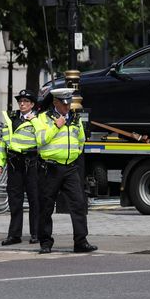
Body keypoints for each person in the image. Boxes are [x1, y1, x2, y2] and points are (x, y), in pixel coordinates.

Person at [34, 88, 97, 254]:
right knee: (46, 206)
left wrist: (74, 155)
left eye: (68, 104)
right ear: (55, 103)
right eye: (64, 104)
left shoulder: (75, 118)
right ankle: (45, 242)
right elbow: (40, 140)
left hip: (70, 167)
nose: (67, 107)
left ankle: (81, 241)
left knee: (78, 204)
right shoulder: (43, 118)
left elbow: (81, 140)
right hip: (50, 167)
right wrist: (56, 126)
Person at [0, 89, 40, 246]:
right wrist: (0, 163)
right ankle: (14, 234)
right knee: (15, 200)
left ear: (32, 104)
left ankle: (36, 233)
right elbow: (3, 142)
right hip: (14, 162)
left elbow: (43, 138)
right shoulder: (11, 118)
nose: (22, 104)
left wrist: (34, 120)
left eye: (26, 102)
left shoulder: (38, 119)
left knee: (35, 199)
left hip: (31, 162)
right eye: (20, 101)